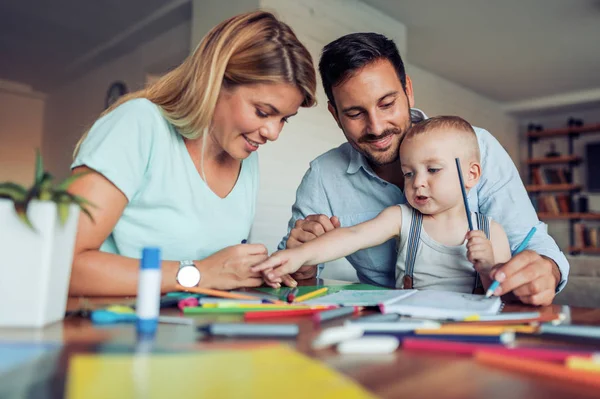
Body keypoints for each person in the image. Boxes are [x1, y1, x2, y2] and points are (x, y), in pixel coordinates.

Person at [276, 32, 568, 306]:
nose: (376, 127)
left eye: (387, 104)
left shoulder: (476, 147)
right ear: (335, 115)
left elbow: (530, 242)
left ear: (408, 92)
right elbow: (295, 276)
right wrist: (300, 265)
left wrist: (546, 269)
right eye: (355, 113)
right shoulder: (324, 177)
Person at [67, 11, 316, 296]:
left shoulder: (244, 154)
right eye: (262, 112)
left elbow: (219, 271)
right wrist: (198, 273)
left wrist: (280, 265)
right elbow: (62, 264)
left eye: (284, 118)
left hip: (196, 333)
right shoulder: (138, 123)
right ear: (216, 81)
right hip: (109, 331)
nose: (273, 133)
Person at [254, 116, 512, 293]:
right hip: (412, 325)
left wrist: (489, 267)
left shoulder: (493, 232)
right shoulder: (401, 217)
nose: (418, 182)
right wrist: (297, 255)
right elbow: (351, 236)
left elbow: (505, 294)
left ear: (472, 174)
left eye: (433, 169)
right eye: (409, 173)